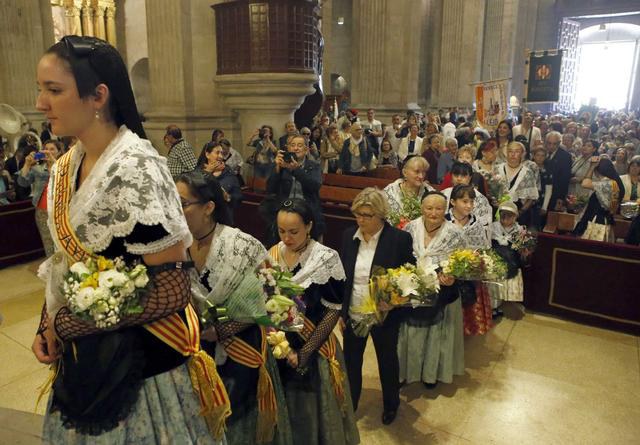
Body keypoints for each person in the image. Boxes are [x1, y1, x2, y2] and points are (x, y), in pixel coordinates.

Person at [33, 35, 226, 443]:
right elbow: (66, 262)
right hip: (85, 359)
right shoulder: (66, 166)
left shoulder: (138, 169)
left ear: (98, 96)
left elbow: (172, 289)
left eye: (54, 90)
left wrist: (68, 322)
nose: (40, 103)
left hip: (141, 369)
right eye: (41, 89)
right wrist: (45, 322)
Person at [178, 171, 293, 445]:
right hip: (195, 350)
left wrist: (224, 328)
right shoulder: (174, 246)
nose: (174, 210)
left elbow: (277, 299)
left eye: (182, 203)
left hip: (240, 350)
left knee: (235, 424)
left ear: (208, 207)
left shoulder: (242, 245)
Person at [268, 199, 360, 445]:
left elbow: (333, 310)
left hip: (314, 343)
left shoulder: (325, 258)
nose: (286, 238)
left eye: (293, 231)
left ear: (309, 226)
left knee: (311, 411)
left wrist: (305, 352)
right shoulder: (273, 253)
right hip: (280, 344)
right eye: (281, 231)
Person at [340, 188, 415, 425]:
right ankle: (351, 403)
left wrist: (394, 301)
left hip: (384, 314)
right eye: (357, 214)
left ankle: (391, 404)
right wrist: (341, 312)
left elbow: (410, 277)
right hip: (354, 310)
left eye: (367, 215)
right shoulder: (349, 236)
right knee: (351, 361)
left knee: (387, 360)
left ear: (381, 215)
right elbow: (343, 277)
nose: (360, 220)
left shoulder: (399, 239)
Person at [399, 192, 465, 387]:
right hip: (413, 289)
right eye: (429, 208)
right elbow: (401, 256)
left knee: (436, 336)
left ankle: (431, 374)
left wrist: (452, 277)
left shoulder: (455, 233)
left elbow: (462, 264)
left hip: (443, 292)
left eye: (439, 208)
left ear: (446, 210)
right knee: (410, 334)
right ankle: (405, 372)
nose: (434, 213)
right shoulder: (410, 227)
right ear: (421, 208)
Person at [446, 184, 492, 336]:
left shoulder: (476, 223)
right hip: (448, 273)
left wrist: (476, 259)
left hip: (470, 273)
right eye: (464, 201)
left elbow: (481, 246)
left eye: (472, 202)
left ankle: (466, 332)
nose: (469, 205)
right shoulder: (444, 221)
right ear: (453, 202)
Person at [263, 135, 324, 247]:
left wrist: (296, 170)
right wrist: (277, 168)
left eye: (300, 145)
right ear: (288, 149)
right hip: (284, 210)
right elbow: (270, 189)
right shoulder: (281, 165)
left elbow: (315, 186)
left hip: (307, 211)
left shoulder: (314, 166)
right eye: (293, 145)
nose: (296, 148)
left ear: (306, 150)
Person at [17, 139, 63, 256]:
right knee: (48, 242)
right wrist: (27, 164)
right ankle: (52, 265)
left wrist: (54, 164)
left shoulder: (63, 167)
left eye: (52, 149)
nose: (48, 152)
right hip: (42, 211)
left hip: (61, 210)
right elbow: (22, 182)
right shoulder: (37, 169)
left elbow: (66, 181)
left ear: (59, 152)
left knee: (63, 241)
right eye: (46, 149)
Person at [573, 157, 624, 242]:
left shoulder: (607, 183)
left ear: (597, 170)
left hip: (596, 221)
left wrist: (592, 166)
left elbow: (585, 183)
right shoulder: (613, 183)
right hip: (604, 218)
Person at [488, 201, 526, 313]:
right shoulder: (493, 227)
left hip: (511, 261)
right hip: (495, 261)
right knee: (494, 285)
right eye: (503, 215)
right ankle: (493, 307)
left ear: (515, 216)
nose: (506, 218)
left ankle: (502, 305)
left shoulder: (519, 229)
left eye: (510, 215)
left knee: (506, 285)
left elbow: (520, 248)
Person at [383, 156, 434, 226]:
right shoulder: (389, 191)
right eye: (417, 172)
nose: (421, 176)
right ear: (404, 172)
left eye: (423, 172)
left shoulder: (431, 193)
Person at [497, 141, 539, 226]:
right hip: (498, 211)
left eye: (517, 151)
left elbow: (531, 198)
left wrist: (520, 212)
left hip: (519, 214)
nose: (513, 154)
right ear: (506, 153)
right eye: (510, 151)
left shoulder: (527, 173)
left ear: (522, 154)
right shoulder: (497, 169)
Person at [442, 162, 493, 228]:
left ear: (470, 178)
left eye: (463, 176)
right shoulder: (444, 194)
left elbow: (484, 223)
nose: (459, 179)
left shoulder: (480, 198)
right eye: (456, 175)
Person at [199, 143, 242, 214]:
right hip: (202, 214)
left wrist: (228, 197)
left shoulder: (228, 172)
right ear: (207, 154)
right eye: (217, 153)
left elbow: (238, 196)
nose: (221, 156)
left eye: (221, 153)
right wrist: (208, 172)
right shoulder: (198, 172)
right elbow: (193, 192)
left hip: (223, 214)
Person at [545, 131, 573, 212]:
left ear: (559, 143)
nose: (551, 146)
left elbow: (565, 179)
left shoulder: (565, 156)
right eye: (549, 143)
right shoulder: (542, 152)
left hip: (555, 193)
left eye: (554, 144)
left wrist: (560, 198)